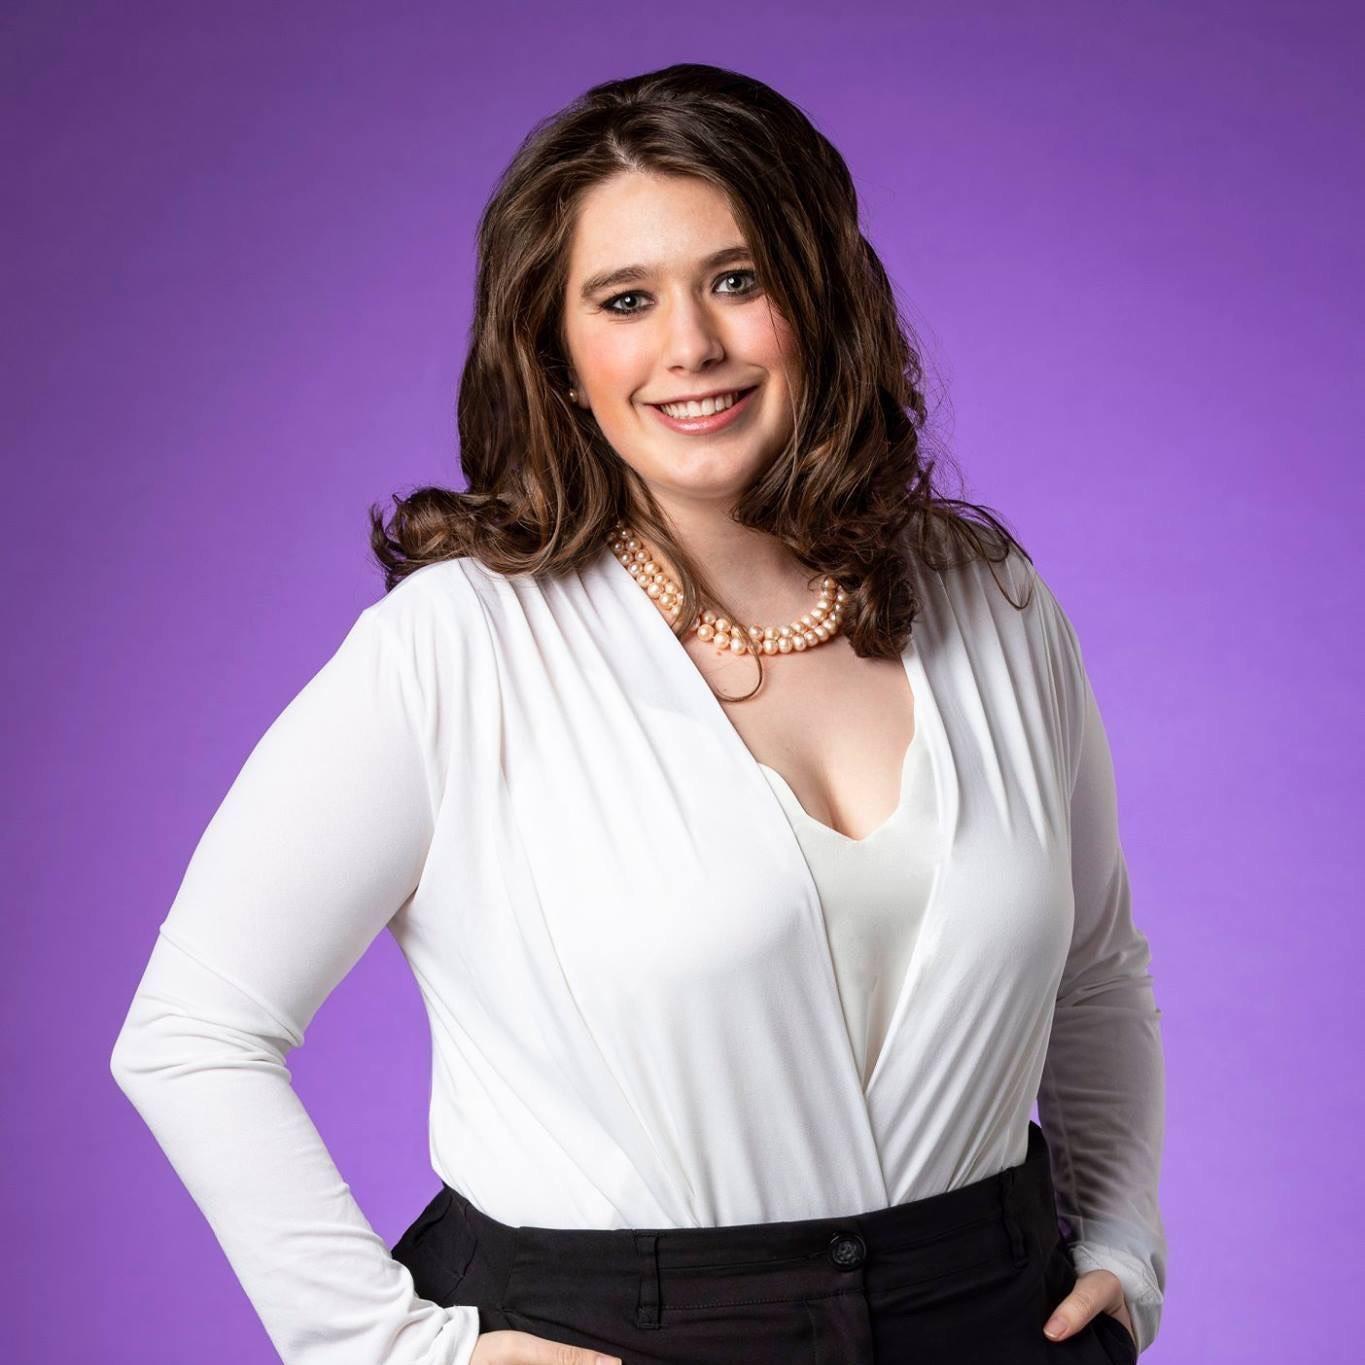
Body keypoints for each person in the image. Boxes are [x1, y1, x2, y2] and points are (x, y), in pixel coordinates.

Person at [109, 62, 1166, 1365]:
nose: (692, 348)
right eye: (625, 300)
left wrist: (1120, 1234)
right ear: (556, 354)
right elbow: (192, 1032)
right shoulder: (459, 649)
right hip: (620, 1333)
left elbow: (1096, 968)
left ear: (818, 300)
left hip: (993, 1310)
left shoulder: (990, 602)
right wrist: (390, 1349)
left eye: (736, 279)